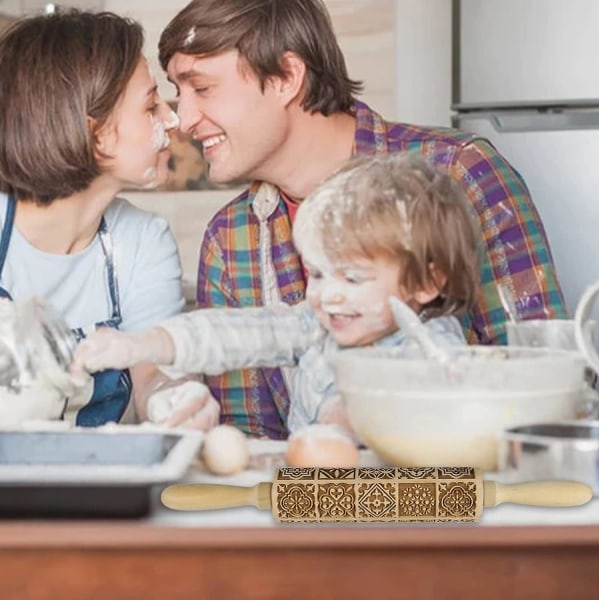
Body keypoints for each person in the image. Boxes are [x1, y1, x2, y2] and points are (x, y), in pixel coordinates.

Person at [157, 0, 566, 438]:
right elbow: (249, 437)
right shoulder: (229, 238)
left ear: (285, 78)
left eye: (201, 89)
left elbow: (546, 383)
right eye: (179, 92)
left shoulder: (459, 171)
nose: (183, 119)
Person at [72, 154, 480, 437]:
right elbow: (237, 333)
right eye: (318, 273)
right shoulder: (318, 325)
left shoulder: (436, 349)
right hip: (315, 502)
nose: (330, 296)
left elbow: (448, 440)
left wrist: (345, 423)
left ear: (428, 283)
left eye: (354, 278)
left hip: (409, 513)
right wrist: (141, 345)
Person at [0, 10, 219, 429]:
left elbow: (155, 375)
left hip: (96, 488)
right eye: (151, 105)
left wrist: (174, 400)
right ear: (96, 134)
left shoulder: (142, 242)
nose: (173, 120)